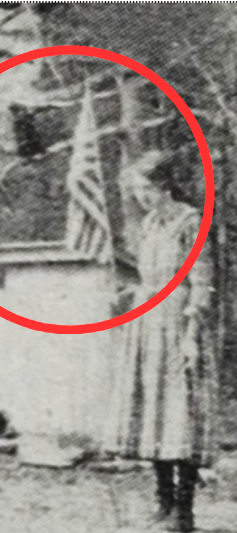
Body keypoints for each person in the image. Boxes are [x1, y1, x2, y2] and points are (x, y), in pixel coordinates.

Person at [105, 151, 215, 533]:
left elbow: (200, 282)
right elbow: (153, 277)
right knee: (153, 413)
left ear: (165, 185)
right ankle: (163, 502)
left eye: (147, 188)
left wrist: (191, 336)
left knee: (180, 415)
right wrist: (130, 293)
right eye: (136, 190)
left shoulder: (190, 222)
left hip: (177, 325)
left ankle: (184, 512)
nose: (141, 196)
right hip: (147, 324)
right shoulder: (149, 224)